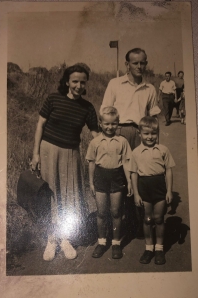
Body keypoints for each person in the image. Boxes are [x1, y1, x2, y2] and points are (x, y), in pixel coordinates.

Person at [31, 64, 98, 261]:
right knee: (51, 193)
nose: (78, 85)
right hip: (48, 151)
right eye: (75, 81)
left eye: (82, 82)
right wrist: (35, 154)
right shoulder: (53, 99)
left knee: (70, 194)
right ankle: (51, 239)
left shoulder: (87, 108)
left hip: (72, 154)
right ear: (67, 81)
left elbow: (96, 134)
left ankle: (65, 239)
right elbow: (40, 124)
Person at [100, 48, 161, 239]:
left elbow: (154, 117)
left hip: (140, 133)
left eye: (143, 62)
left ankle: (138, 221)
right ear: (127, 64)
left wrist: (155, 146)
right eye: (135, 63)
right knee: (118, 175)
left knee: (139, 174)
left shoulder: (149, 88)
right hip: (119, 132)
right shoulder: (115, 83)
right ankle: (118, 222)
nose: (139, 66)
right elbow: (105, 110)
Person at [86, 106, 132, 259]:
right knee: (101, 212)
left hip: (117, 179)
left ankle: (116, 243)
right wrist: (91, 183)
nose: (110, 127)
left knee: (116, 212)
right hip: (100, 179)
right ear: (100, 123)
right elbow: (91, 163)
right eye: (106, 124)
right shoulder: (95, 142)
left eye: (113, 124)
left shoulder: (122, 141)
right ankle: (101, 242)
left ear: (118, 123)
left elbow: (126, 163)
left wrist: (130, 182)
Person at [130, 116, 175, 265]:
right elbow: (134, 174)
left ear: (157, 133)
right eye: (146, 133)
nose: (150, 137)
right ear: (139, 133)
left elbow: (168, 171)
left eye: (153, 133)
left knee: (159, 218)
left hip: (160, 189)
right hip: (144, 189)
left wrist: (169, 191)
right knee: (148, 219)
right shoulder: (135, 152)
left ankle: (159, 249)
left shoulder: (163, 150)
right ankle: (149, 248)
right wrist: (136, 193)